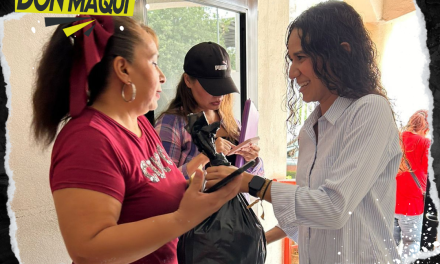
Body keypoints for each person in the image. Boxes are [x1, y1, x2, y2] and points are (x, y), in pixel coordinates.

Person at [31, 15, 241, 264]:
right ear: (123, 69)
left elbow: (152, 196)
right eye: (153, 62)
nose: (162, 76)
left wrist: (203, 189)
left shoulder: (139, 122)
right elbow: (87, 249)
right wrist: (184, 217)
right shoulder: (88, 139)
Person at [205, 2, 403, 263]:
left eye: (301, 58)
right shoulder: (311, 127)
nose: (292, 72)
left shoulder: (370, 110)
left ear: (341, 54)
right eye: (291, 59)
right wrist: (253, 239)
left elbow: (332, 208)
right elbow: (307, 215)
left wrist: (248, 183)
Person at [154, 42, 264, 180]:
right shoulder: (171, 124)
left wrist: (252, 160)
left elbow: (257, 179)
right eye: (211, 87)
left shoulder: (231, 123)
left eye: (223, 86)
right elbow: (163, 182)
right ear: (188, 80)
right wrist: (206, 155)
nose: (219, 95)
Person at [394, 110, 431, 260]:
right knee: (412, 242)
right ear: (426, 128)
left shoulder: (396, 138)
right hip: (412, 206)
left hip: (390, 202)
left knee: (389, 243)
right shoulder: (425, 143)